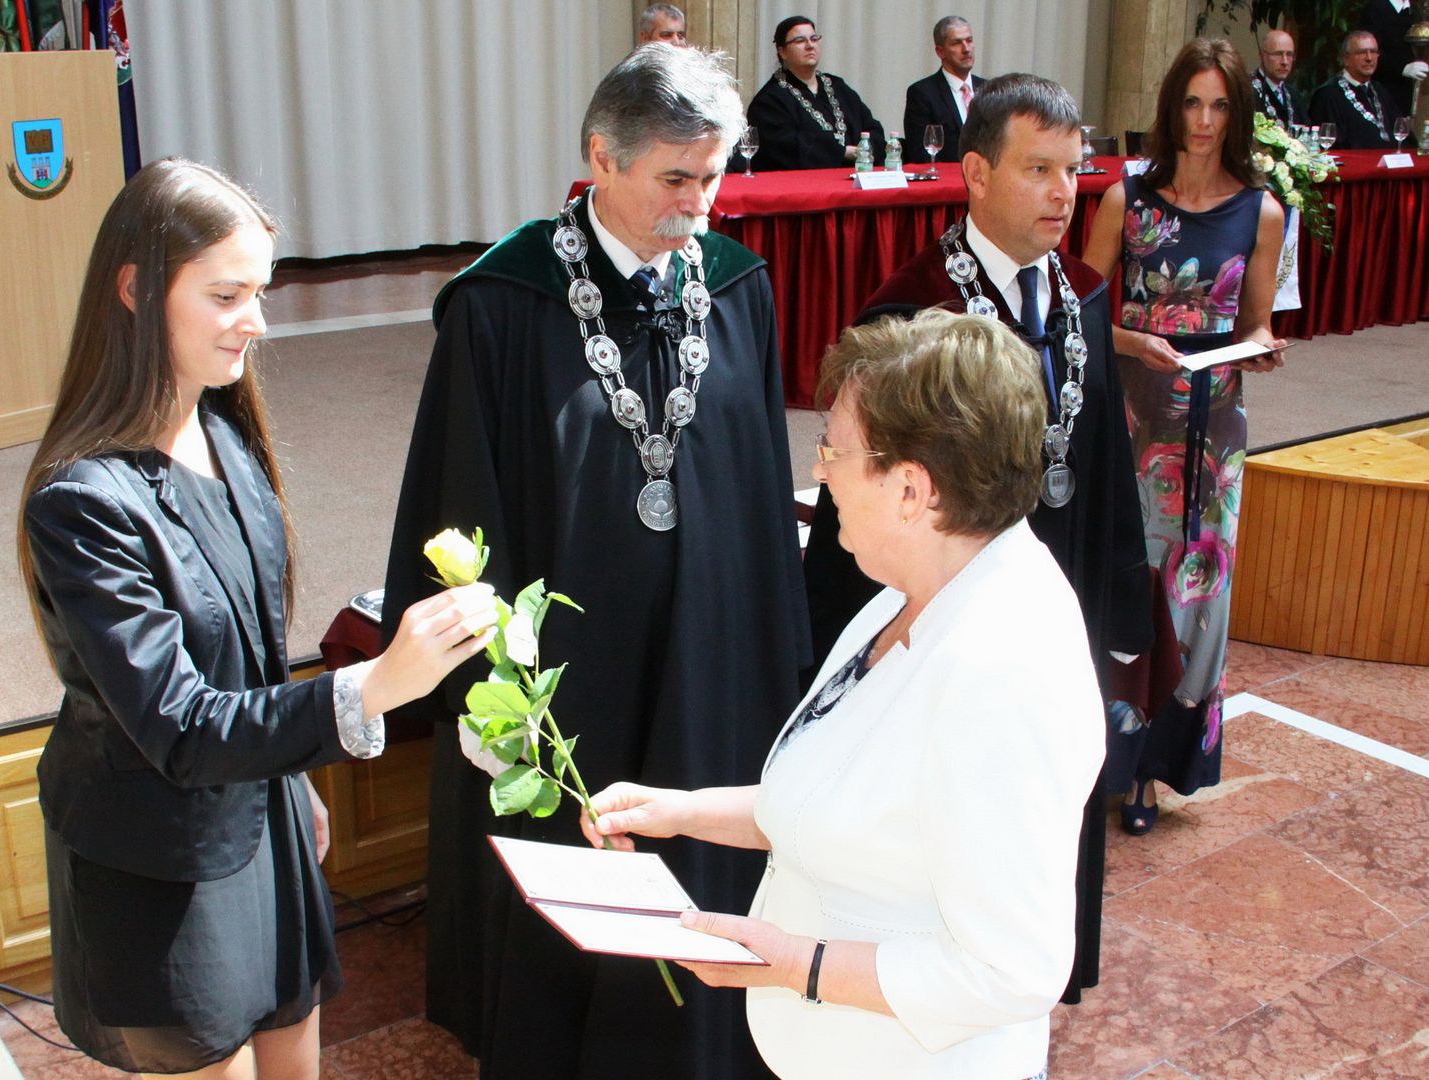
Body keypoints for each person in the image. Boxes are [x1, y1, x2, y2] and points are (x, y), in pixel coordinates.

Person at [17, 159, 499, 1079]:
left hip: (260, 813)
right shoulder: (82, 503)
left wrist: (293, 778)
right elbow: (182, 727)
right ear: (136, 290)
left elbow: (247, 653)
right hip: (164, 864)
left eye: (260, 292)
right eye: (227, 295)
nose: (258, 321)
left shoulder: (225, 433)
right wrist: (373, 685)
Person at [382, 44, 809, 1080]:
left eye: (713, 177)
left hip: (708, 663)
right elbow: (460, 505)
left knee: (700, 879)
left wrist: (778, 658)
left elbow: (761, 485)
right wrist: (487, 696)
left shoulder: (738, 287)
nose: (698, 206)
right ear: (601, 157)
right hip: (574, 675)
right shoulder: (502, 303)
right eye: (675, 178)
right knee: (576, 907)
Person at [582, 309, 1106, 1080]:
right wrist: (680, 811)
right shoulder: (910, 590)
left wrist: (797, 964)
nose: (820, 472)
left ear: (911, 489)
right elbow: (850, 806)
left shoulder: (1004, 668)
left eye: (834, 451)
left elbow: (1014, 972)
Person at [803, 72, 1151, 1005]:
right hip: (944, 619)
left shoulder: (1081, 295)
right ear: (976, 174)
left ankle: (1038, 971)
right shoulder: (911, 318)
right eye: (1038, 169)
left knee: (1042, 802)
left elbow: (1104, 455)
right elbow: (865, 502)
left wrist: (1122, 603)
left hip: (1058, 592)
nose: (1063, 193)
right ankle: (948, 979)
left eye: (1073, 170)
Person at [1084, 38, 1286, 837]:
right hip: (1135, 413)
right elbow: (1080, 311)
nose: (1204, 121)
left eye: (1220, 105)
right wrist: (1137, 343)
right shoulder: (1127, 199)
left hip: (1215, 425)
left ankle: (1155, 771)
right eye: (1193, 103)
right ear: (1174, 107)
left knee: (1199, 594)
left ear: (1237, 114)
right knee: (1127, 581)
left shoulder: (1261, 211)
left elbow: (1257, 320)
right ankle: (1105, 754)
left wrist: (1261, 347)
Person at [746, 15, 886, 170]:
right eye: (800, 41)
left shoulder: (838, 86)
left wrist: (866, 149)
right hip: (806, 182)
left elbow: (873, 128)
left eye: (814, 39)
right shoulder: (769, 101)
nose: (810, 45)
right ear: (782, 51)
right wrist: (841, 153)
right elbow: (785, 148)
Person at [903, 14, 985, 165]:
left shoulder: (989, 90)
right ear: (940, 51)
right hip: (947, 176)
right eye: (957, 43)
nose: (966, 49)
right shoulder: (922, 93)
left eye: (969, 40)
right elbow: (920, 154)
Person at [1309, 30, 1404, 149]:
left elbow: (1403, 135)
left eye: (1373, 52)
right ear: (1346, 59)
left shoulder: (1380, 91)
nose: (1369, 58)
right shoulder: (1328, 95)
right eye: (1362, 52)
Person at [1360, 0, 1425, 117]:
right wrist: (1402, 68)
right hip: (1384, 91)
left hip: (1413, 91)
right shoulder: (1375, 9)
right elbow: (1368, 52)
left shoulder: (1415, 10)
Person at [1252, 28, 1308, 129]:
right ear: (1262, 55)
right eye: (1278, 54)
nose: (1285, 62)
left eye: (1289, 55)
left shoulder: (1294, 96)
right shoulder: (1247, 91)